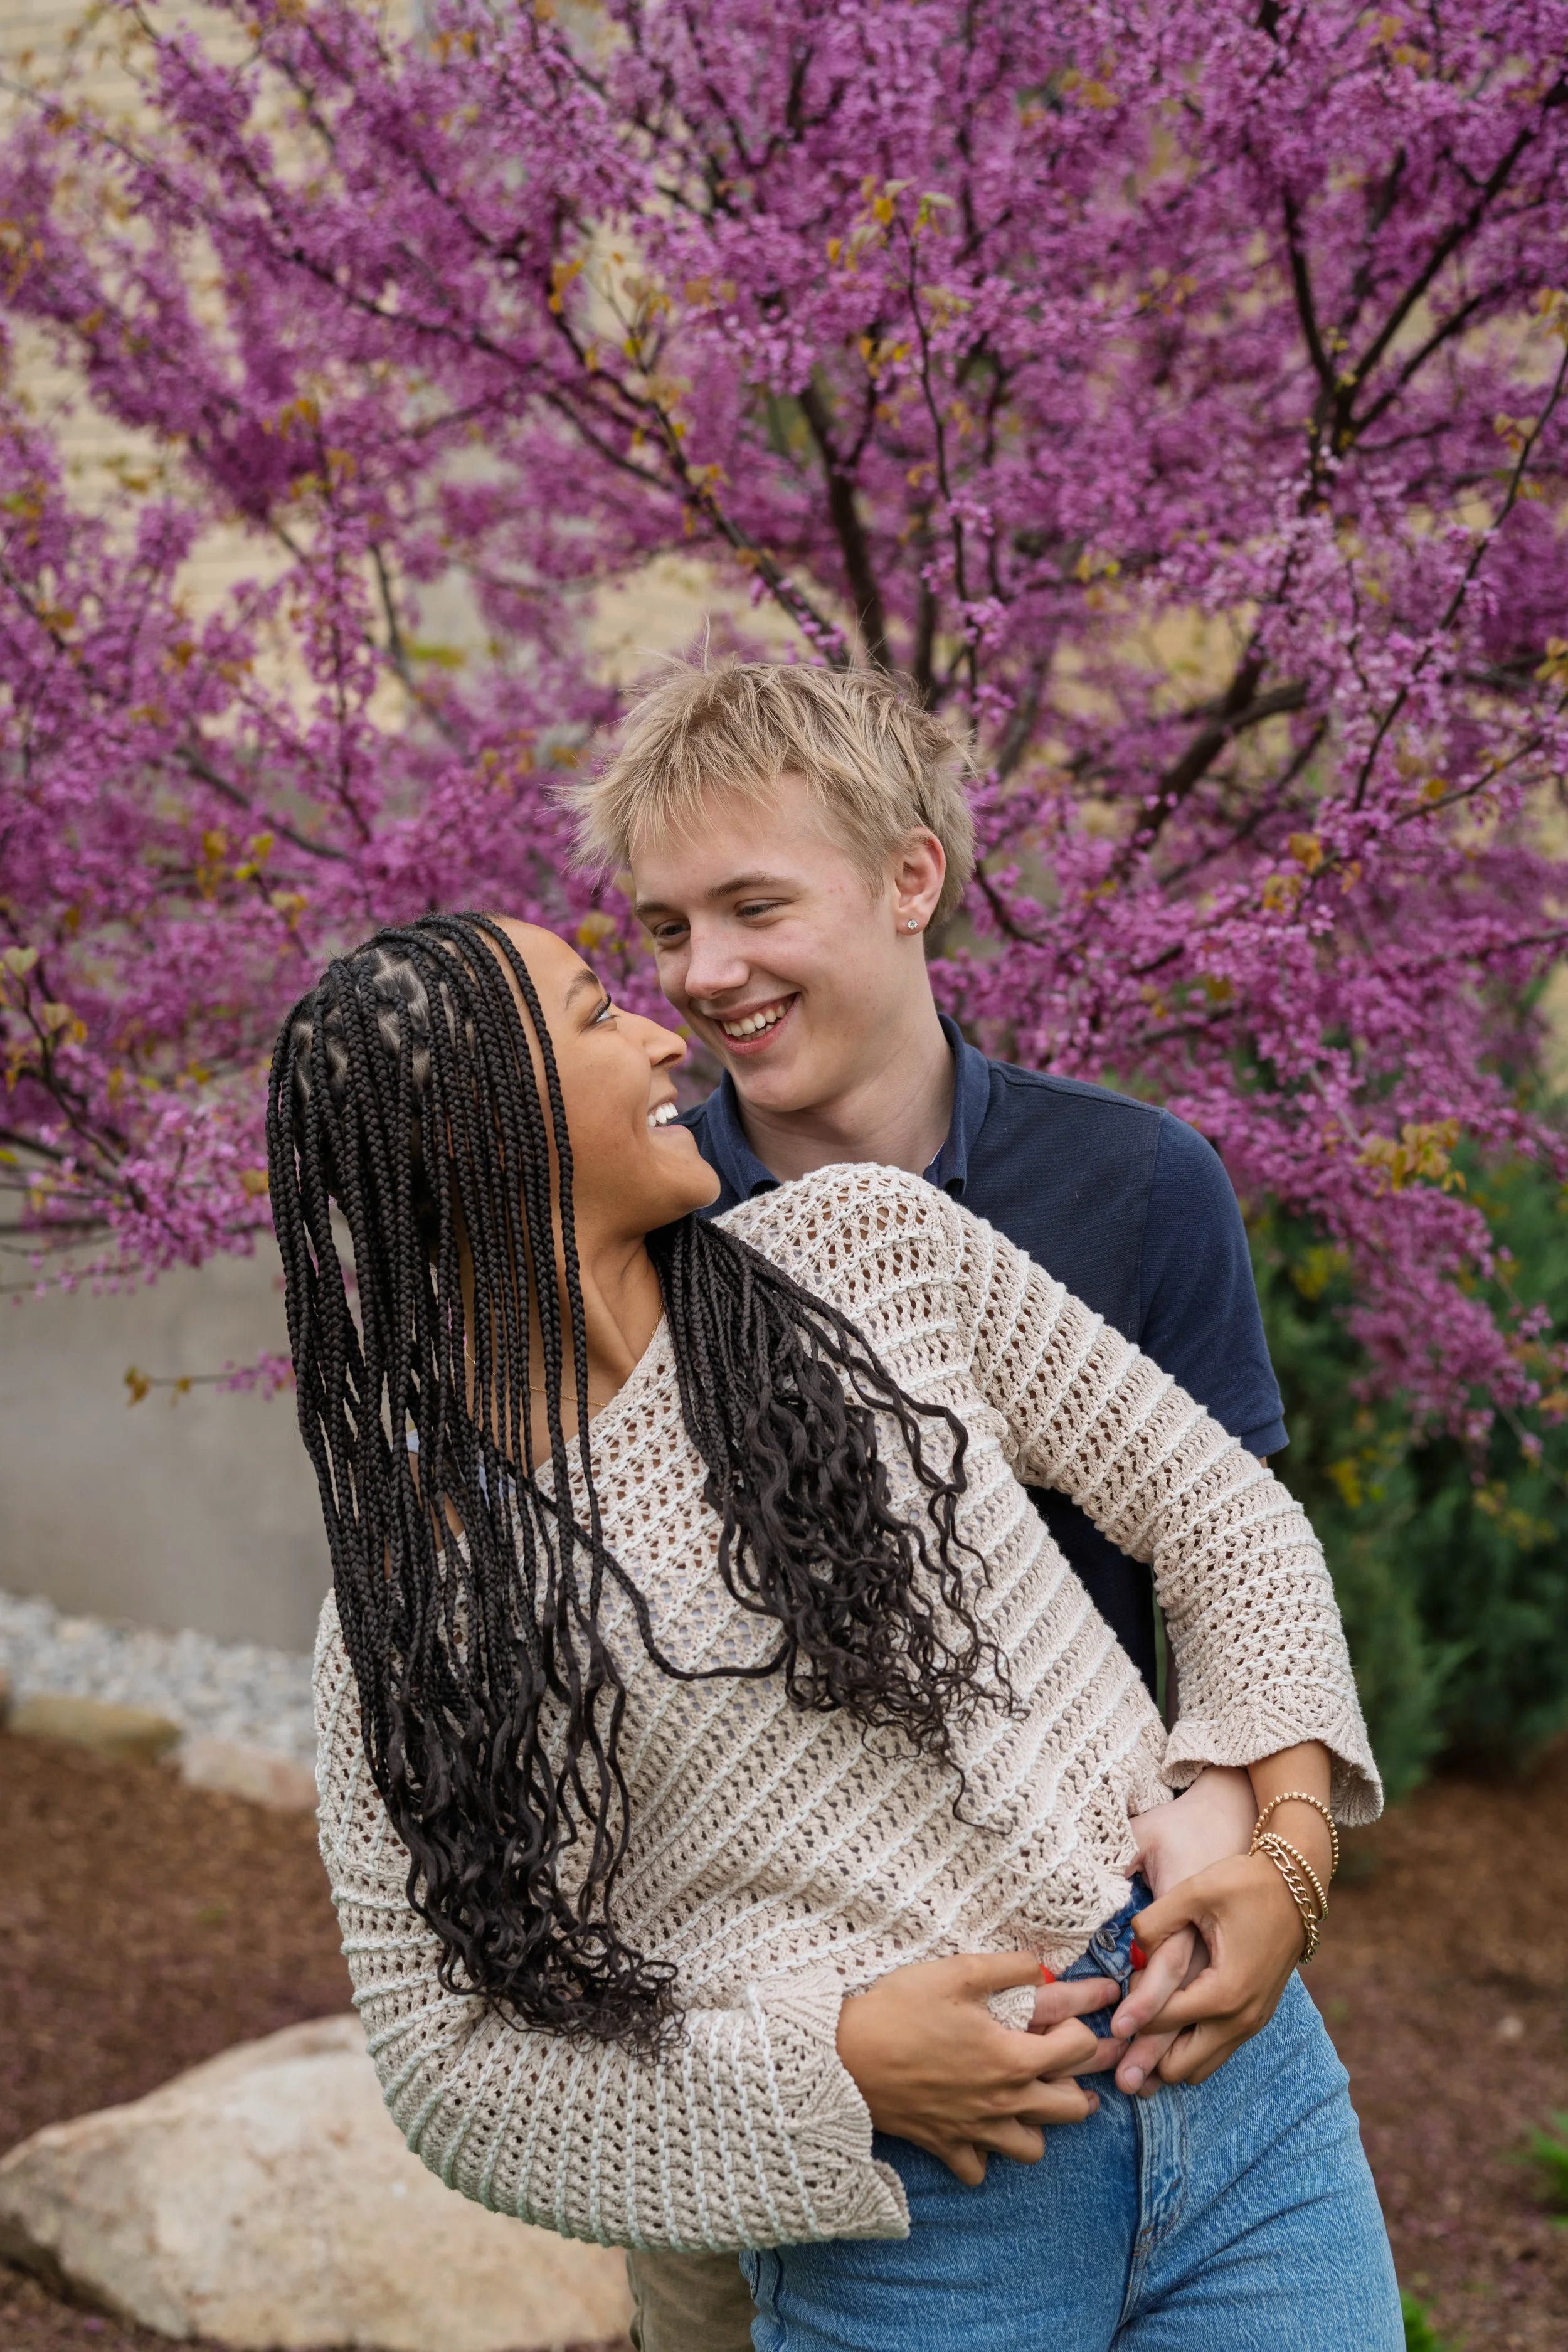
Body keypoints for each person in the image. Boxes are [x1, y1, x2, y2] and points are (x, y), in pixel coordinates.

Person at [269, 909, 1402, 2352]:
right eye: (596, 1013)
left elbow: (1223, 1521)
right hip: (925, 2229)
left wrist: (1284, 1853)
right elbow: (447, 2067)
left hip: (1248, 2121)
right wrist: (836, 2068)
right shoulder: (431, 1598)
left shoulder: (868, 1249)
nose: (663, 1029)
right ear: (488, 1131)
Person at [571, 661, 1327, 2349]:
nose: (703, 976)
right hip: (806, 2109)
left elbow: (1234, 1562)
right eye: (667, 922)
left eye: (755, 903)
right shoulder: (641, 1235)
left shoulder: (1135, 1184)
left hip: (1142, 2028)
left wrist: (1282, 1849)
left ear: (912, 877)